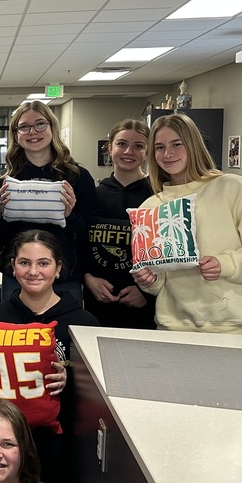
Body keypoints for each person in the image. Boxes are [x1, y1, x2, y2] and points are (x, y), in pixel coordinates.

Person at [132, 114, 242, 334]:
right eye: (159, 147)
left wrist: (227, 264)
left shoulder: (230, 188)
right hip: (174, 327)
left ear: (193, 145)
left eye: (177, 144)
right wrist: (149, 280)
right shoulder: (150, 207)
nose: (167, 154)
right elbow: (159, 282)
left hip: (234, 326)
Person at [0, 230, 98, 483]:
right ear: (13, 266)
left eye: (43, 263)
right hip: (4, 448)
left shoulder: (83, 322)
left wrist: (73, 379)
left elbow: (98, 398)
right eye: (24, 263)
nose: (33, 271)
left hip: (60, 448)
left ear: (58, 268)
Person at [0, 101, 98, 302]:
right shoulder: (3, 180)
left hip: (64, 277)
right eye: (24, 126)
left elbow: (89, 235)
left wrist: (70, 215)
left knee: (64, 333)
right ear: (16, 134)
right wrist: (2, 213)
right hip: (18, 277)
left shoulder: (77, 176)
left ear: (52, 127)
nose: (33, 132)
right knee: (16, 333)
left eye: (40, 124)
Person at [80, 119, 156, 329]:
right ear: (109, 147)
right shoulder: (93, 196)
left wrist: (145, 293)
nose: (128, 151)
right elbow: (81, 244)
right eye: (122, 144)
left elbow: (166, 255)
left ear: (147, 152)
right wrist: (88, 278)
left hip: (144, 307)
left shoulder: (157, 196)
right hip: (98, 304)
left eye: (138, 146)